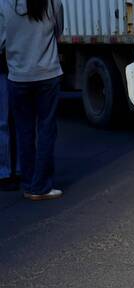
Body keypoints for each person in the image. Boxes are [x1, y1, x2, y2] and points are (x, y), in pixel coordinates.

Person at [0, 0, 64, 200]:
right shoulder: (52, 2)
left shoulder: (4, 5)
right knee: (46, 131)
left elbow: (1, 42)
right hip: (48, 74)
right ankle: (42, 185)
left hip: (18, 77)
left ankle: (28, 184)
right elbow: (59, 30)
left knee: (24, 132)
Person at [0, 48, 19, 191]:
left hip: (13, 67)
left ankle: (11, 170)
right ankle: (5, 172)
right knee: (5, 123)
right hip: (7, 67)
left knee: (11, 123)